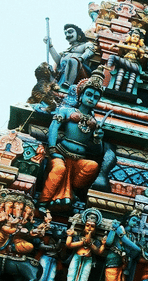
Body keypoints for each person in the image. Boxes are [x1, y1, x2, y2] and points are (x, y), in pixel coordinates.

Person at [39, 74, 105, 210]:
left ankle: (70, 191)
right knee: (59, 169)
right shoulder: (66, 111)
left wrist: (98, 138)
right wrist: (52, 149)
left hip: (78, 160)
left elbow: (97, 151)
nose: (91, 99)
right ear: (81, 95)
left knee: (92, 166)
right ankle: (42, 202)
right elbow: (53, 127)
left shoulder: (93, 122)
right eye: (89, 94)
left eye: (95, 97)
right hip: (60, 153)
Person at [66, 210, 105, 281]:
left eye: (92, 226)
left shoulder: (95, 242)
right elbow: (69, 245)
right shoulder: (78, 238)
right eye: (87, 225)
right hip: (77, 257)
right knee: (71, 274)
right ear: (84, 226)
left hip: (88, 260)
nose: (89, 228)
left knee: (84, 277)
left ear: (95, 229)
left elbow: (99, 252)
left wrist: (102, 244)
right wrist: (70, 235)